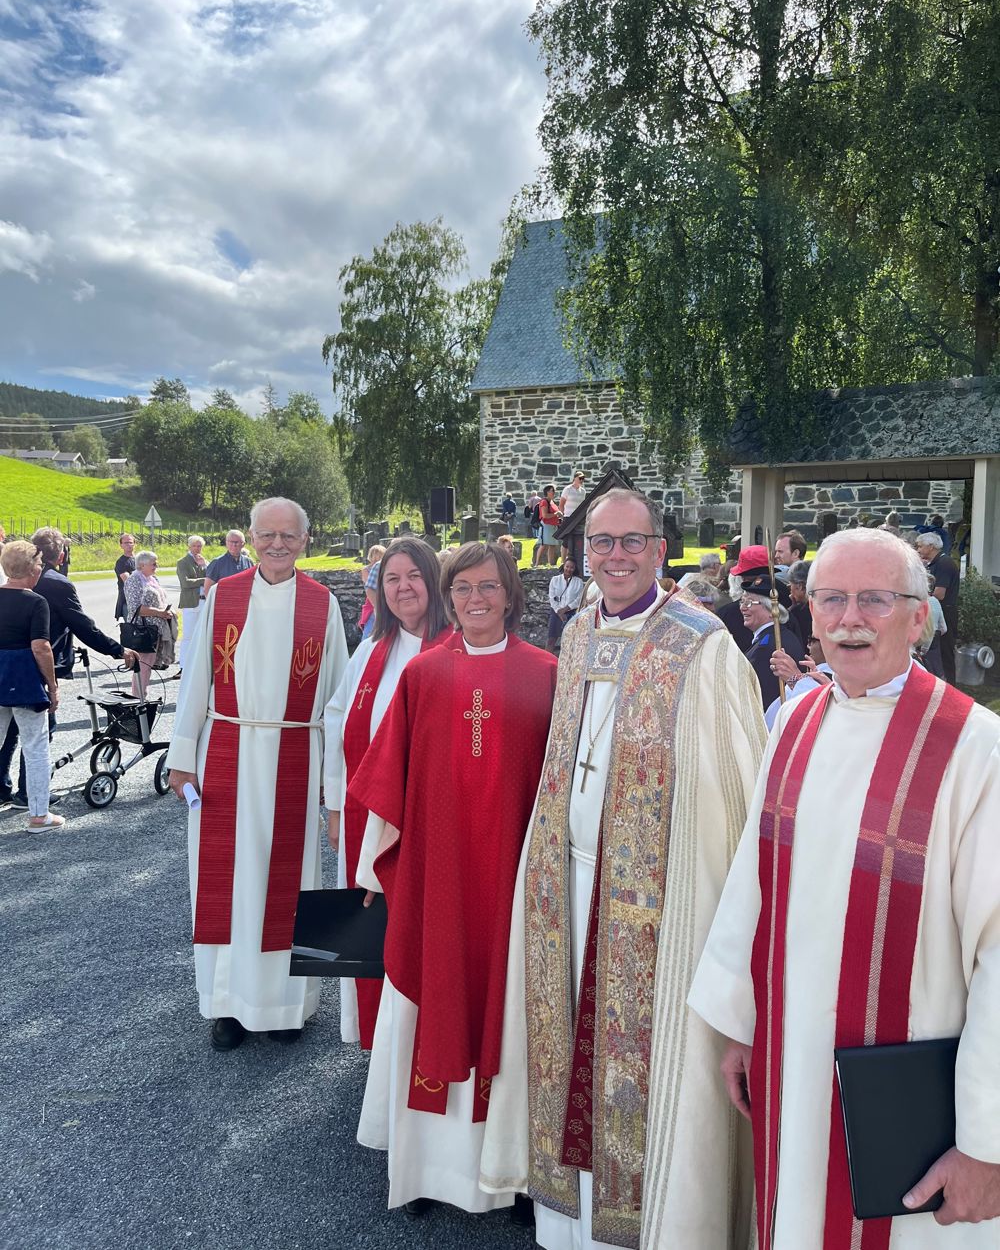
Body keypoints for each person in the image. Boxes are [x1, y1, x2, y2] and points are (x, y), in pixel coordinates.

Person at [689, 527, 1000, 1247]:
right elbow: (752, 883)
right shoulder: (796, 719)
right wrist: (741, 1024)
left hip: (914, 1105)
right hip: (793, 1066)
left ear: (919, 618)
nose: (849, 618)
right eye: (831, 598)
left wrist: (986, 1140)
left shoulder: (976, 748)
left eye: (875, 600)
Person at [479, 488, 767, 1249]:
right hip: (565, 891)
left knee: (641, 1076)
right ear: (581, 552)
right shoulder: (577, 633)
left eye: (631, 541)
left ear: (660, 547)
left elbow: (735, 794)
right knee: (562, 1050)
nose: (615, 556)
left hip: (659, 904)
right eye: (600, 542)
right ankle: (567, 1227)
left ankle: (650, 1229)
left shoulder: (703, 646)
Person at [347, 541, 558, 1219]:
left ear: (511, 594)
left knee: (514, 1008)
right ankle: (429, 1172)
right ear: (449, 594)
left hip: (515, 887)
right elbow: (387, 782)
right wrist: (373, 868)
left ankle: (512, 1170)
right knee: (432, 1001)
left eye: (488, 586)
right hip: (437, 884)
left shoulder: (548, 674)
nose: (475, 598)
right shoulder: (425, 677)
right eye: (462, 586)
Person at [167, 497, 348, 1052]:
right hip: (227, 753)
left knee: (289, 885)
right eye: (266, 534)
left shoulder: (324, 605)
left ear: (304, 540)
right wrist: (181, 754)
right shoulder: (224, 596)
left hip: (296, 752)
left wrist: (334, 778)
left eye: (287, 536)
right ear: (248, 537)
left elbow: (337, 700)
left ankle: (285, 1007)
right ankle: (226, 1005)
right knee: (226, 885)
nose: (276, 544)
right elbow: (196, 679)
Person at [323, 538, 449, 1050]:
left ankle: (424, 1036)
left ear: (434, 582)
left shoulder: (454, 647)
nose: (403, 588)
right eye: (391, 579)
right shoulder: (373, 648)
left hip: (427, 822)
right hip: (364, 816)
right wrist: (334, 806)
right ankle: (375, 1038)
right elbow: (336, 719)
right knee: (367, 919)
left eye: (414, 576)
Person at [0, 528, 138, 806]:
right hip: (34, 669)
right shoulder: (56, 584)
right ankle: (30, 795)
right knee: (39, 733)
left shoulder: (15, 580)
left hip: (5, 670)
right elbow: (82, 627)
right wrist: (117, 650)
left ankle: (3, 788)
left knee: (9, 731)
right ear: (61, 554)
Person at [0, 541, 61, 832]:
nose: (40, 568)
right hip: (24, 679)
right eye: (38, 564)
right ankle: (39, 815)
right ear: (30, 569)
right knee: (35, 747)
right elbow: (41, 647)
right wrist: (52, 685)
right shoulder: (36, 602)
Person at [734, 557, 806, 709]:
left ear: (771, 610)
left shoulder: (770, 648)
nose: (743, 608)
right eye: (742, 601)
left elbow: (764, 700)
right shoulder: (773, 638)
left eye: (749, 602)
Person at [124, 551, 175, 697]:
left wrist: (165, 612)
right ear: (141, 565)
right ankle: (138, 699)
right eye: (153, 563)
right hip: (142, 629)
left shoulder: (152, 579)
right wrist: (159, 612)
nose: (156, 566)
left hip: (154, 628)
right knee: (143, 665)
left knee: (148, 665)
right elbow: (136, 608)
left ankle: (141, 697)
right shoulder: (134, 580)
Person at [917, 531, 960, 683]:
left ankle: (951, 686)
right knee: (934, 653)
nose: (919, 549)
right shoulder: (934, 563)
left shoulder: (944, 563)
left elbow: (939, 593)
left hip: (945, 611)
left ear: (931, 546)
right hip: (936, 610)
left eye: (921, 546)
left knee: (945, 652)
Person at [176, 536, 207, 676]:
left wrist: (204, 566)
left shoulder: (202, 561)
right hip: (190, 602)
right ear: (189, 546)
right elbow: (186, 583)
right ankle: (183, 665)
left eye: (199, 546)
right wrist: (203, 580)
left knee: (203, 635)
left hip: (204, 601)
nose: (197, 548)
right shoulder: (183, 562)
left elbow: (212, 579)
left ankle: (199, 665)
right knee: (188, 635)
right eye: (194, 546)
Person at [546, 554, 584, 653]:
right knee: (551, 639)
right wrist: (559, 611)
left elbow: (579, 599)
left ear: (574, 569)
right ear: (564, 566)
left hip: (570, 613)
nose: (569, 569)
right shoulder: (555, 580)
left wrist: (565, 609)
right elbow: (552, 597)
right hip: (556, 612)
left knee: (569, 640)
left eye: (571, 567)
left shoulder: (578, 582)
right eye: (567, 566)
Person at [202, 529, 252, 596]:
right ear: (226, 543)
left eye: (237, 542)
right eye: (231, 542)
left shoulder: (248, 562)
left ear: (243, 544)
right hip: (224, 603)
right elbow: (207, 589)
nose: (234, 545)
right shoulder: (217, 563)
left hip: (244, 602)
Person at [358, 544, 386, 640]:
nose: (376, 559)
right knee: (369, 631)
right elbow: (369, 586)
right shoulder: (366, 570)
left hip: (385, 600)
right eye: (374, 556)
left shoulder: (385, 568)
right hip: (372, 602)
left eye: (378, 556)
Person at [787, 558, 812, 645]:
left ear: (800, 586)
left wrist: (791, 610)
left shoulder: (798, 612)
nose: (790, 591)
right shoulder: (822, 605)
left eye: (790, 586)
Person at [113, 532, 136, 621]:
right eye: (126, 543)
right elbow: (129, 581)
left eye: (130, 542)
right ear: (121, 545)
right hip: (128, 601)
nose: (129, 545)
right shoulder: (121, 562)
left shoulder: (139, 559)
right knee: (131, 628)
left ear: (134, 544)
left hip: (143, 600)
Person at [537, 484, 562, 567]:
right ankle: (536, 563)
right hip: (546, 525)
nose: (554, 492)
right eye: (552, 491)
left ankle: (551, 564)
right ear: (547, 492)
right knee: (544, 545)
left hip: (553, 526)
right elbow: (545, 515)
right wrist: (556, 514)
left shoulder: (552, 502)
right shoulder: (544, 502)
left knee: (552, 545)